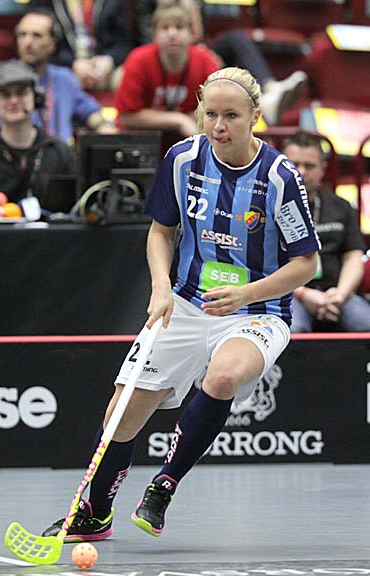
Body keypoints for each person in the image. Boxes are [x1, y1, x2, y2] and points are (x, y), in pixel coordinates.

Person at [42, 66, 319, 542]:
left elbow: (307, 264)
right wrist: (159, 287)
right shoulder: (182, 159)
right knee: (119, 413)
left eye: (231, 116)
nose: (218, 126)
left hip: (257, 311)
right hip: (186, 304)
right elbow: (160, 232)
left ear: (255, 116)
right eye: (210, 114)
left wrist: (249, 293)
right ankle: (95, 512)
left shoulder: (279, 176)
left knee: (224, 376)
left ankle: (163, 487)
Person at [134, 0, 308, 126]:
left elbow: (196, 30)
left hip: (194, 46)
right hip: (158, 50)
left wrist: (199, 51)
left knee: (236, 39)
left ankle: (270, 90)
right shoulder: (148, 18)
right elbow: (145, 33)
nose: (172, 32)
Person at [0, 9, 116, 146]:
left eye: (36, 36)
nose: (28, 42)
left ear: (52, 44)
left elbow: (90, 112)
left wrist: (104, 126)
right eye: (22, 35)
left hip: (57, 158)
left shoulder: (65, 79)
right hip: (2, 157)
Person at [282, 130, 370, 332]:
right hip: (288, 293)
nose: (301, 172)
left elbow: (353, 257)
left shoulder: (341, 207)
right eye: (294, 164)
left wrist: (340, 295)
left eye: (309, 166)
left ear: (323, 169)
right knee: (293, 329)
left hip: (337, 293)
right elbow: (262, 266)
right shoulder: (267, 207)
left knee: (366, 324)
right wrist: (303, 294)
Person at [0, 61, 75, 210]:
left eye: (21, 92)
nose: (13, 100)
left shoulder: (60, 153)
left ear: (36, 97)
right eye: (5, 94)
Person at [114, 3, 220, 140]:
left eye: (179, 27)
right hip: (142, 140)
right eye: (165, 28)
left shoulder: (205, 61)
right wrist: (179, 120)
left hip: (189, 140)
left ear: (193, 33)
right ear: (154, 34)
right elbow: (127, 117)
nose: (172, 34)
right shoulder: (138, 60)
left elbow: (218, 109)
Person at [30, 0, 132, 91]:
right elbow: (45, 46)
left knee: (127, 79)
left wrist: (109, 59)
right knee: (65, 82)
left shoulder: (113, 2)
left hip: (104, 65)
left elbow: (124, 43)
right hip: (65, 65)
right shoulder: (49, 3)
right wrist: (73, 63)